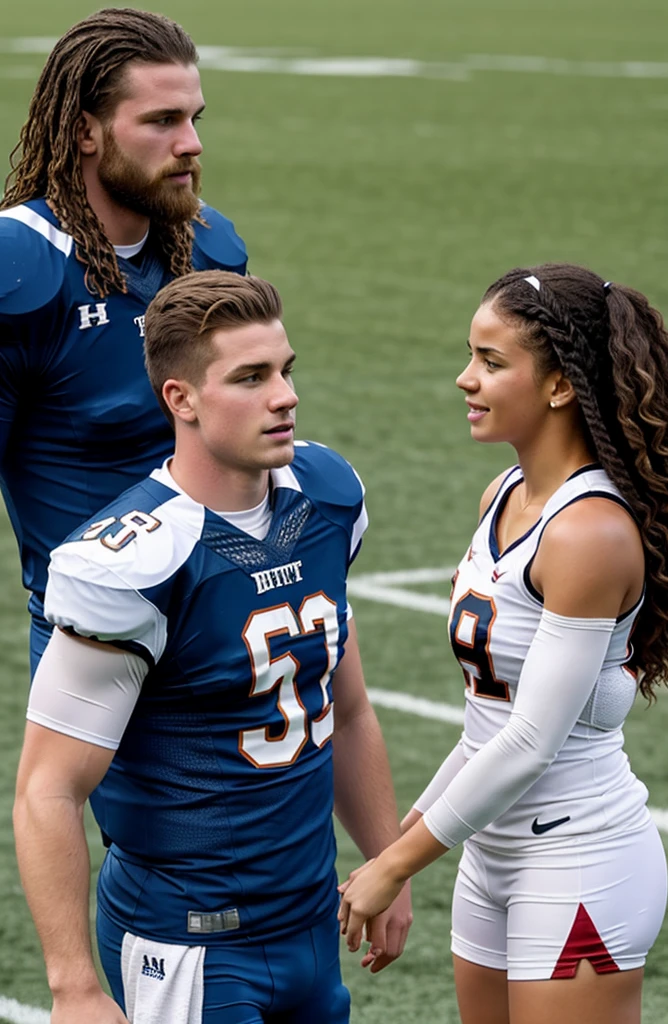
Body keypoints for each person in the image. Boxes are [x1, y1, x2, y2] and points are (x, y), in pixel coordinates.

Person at [13, 270, 413, 1024]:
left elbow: (347, 709)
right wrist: (73, 987)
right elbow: (47, 789)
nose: (284, 395)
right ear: (182, 399)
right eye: (251, 377)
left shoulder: (326, 495)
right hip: (192, 943)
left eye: (286, 370)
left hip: (310, 923)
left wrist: (389, 862)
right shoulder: (133, 563)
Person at [338, 263, 668, 1024]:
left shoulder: (588, 532)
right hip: (490, 855)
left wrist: (396, 865)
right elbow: (486, 727)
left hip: (578, 857)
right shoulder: (502, 495)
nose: (466, 379)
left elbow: (530, 741)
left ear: (560, 385)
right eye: (471, 355)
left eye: (491, 363)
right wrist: (397, 848)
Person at [0, 8, 248, 676]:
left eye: (195, 119)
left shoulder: (212, 250)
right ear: (85, 131)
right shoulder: (20, 268)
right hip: (99, 644)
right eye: (163, 121)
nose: (191, 143)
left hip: (227, 624)